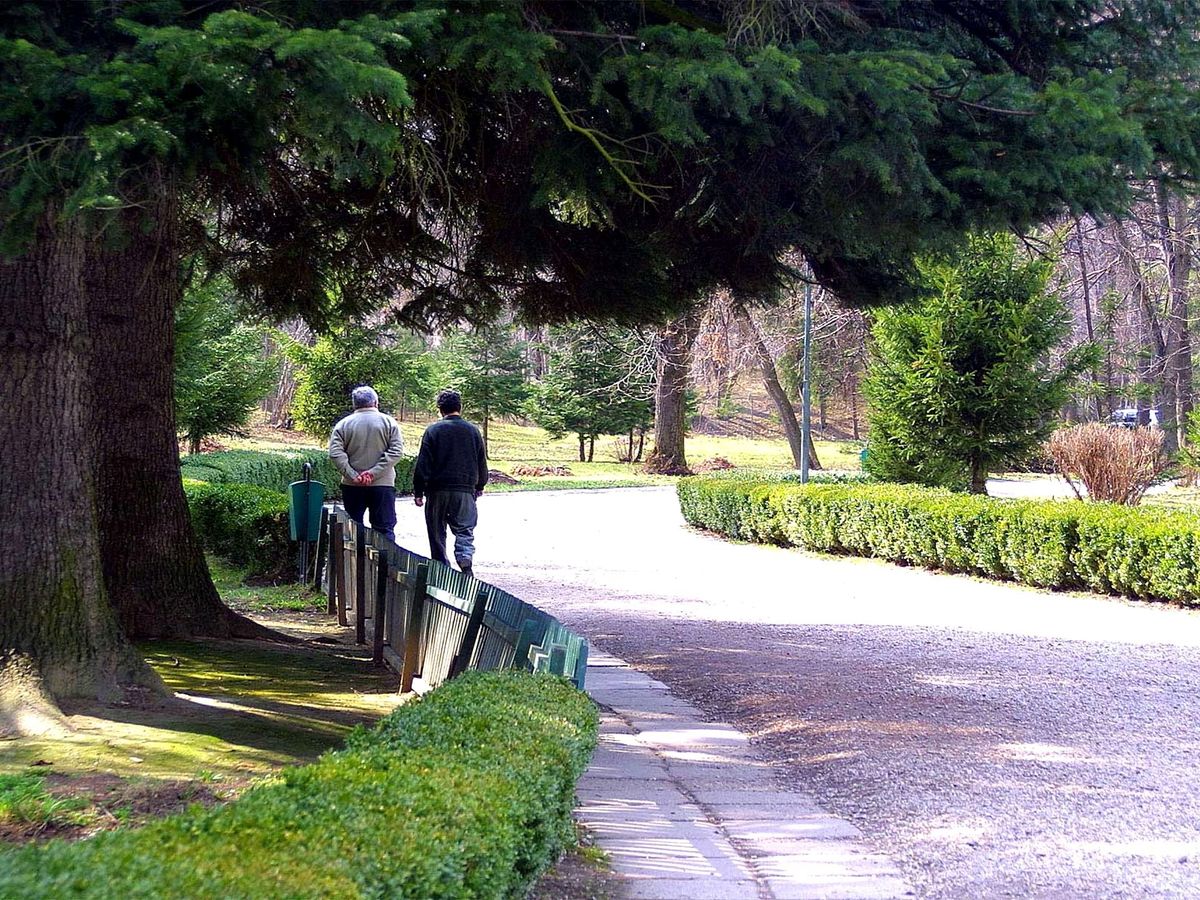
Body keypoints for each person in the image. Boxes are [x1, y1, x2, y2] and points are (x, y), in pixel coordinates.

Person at [413, 389, 488, 577]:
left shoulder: (433, 431)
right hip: (464, 490)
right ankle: (464, 556)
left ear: (440, 409)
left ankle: (441, 569)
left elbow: (424, 462)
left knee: (437, 532)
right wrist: (480, 485)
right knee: (464, 528)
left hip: (437, 490)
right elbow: (481, 461)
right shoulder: (473, 431)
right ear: (459, 407)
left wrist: (418, 491)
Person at [328, 386, 404, 541]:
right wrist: (373, 473)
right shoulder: (389, 423)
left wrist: (353, 475)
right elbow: (396, 451)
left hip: (352, 485)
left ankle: (355, 564)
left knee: (352, 531)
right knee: (384, 530)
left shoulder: (343, 425)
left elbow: (335, 453)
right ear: (375, 402)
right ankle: (384, 564)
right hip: (383, 484)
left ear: (355, 404)